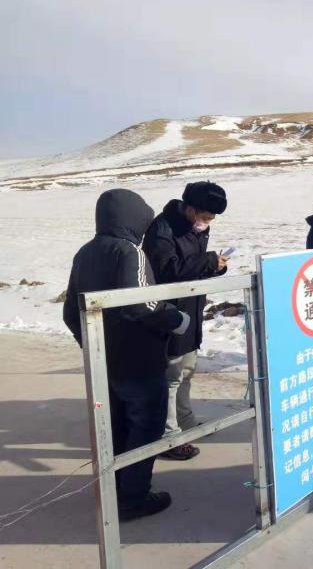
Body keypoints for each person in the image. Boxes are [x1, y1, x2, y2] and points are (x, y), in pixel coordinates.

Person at [63, 189, 189, 521]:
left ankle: (116, 490)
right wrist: (177, 319)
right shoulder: (129, 251)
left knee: (118, 427)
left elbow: (70, 312)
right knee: (146, 427)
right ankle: (133, 499)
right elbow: (141, 304)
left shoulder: (84, 252)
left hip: (106, 362)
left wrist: (92, 345)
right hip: (139, 360)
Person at [143, 181, 228, 461]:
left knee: (187, 369)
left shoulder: (195, 228)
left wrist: (215, 267)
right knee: (171, 375)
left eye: (212, 218)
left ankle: (186, 422)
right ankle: (169, 437)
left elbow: (192, 266)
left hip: (191, 308)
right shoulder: (163, 229)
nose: (208, 222)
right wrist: (208, 262)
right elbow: (167, 270)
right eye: (205, 216)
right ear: (190, 209)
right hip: (169, 312)